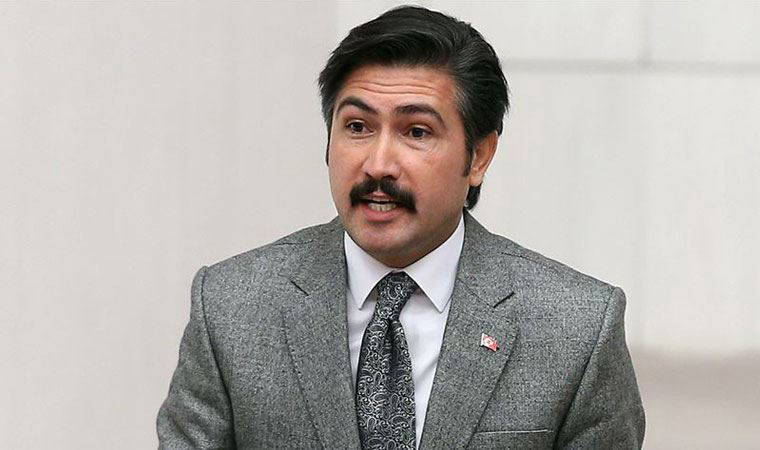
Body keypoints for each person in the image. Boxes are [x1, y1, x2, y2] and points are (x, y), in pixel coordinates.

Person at [157, 6, 645, 449]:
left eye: (416, 131)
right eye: (357, 127)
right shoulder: (231, 306)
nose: (378, 164)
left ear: (479, 156)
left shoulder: (575, 329)